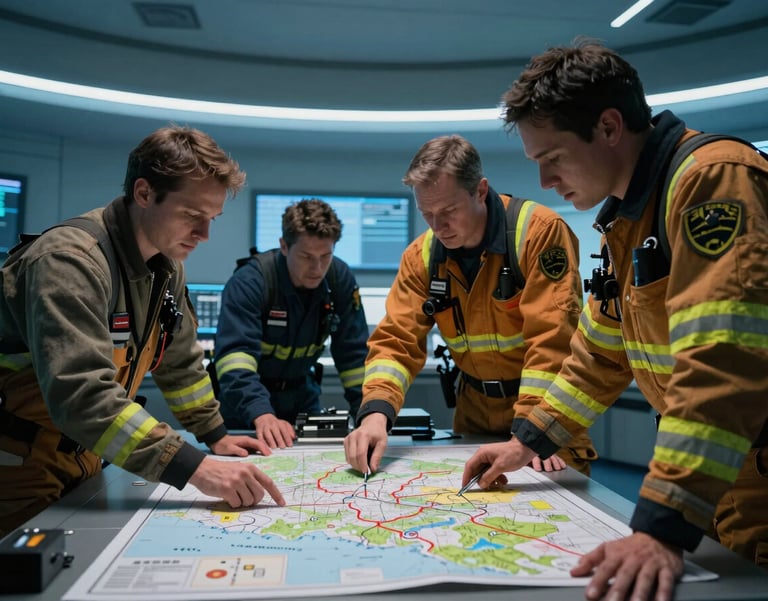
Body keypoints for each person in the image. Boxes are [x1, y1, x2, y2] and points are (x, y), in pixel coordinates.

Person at [463, 40, 768, 601]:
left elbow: (722, 359)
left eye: (552, 158)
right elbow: (600, 356)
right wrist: (526, 443)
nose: (546, 183)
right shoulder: (627, 220)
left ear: (608, 127)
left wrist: (659, 525)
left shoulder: (712, 180)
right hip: (715, 480)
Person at [0, 125, 286, 536]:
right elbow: (82, 397)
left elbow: (181, 362)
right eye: (191, 216)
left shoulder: (167, 266)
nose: (204, 235)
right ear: (144, 193)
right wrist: (195, 466)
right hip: (17, 468)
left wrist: (215, 434)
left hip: (85, 458)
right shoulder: (69, 261)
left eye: (212, 219)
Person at [345, 134, 596, 478]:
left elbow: (551, 343)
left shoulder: (538, 233)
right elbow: (396, 343)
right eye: (427, 213)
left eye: (448, 211)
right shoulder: (421, 257)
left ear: (480, 190)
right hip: (474, 415)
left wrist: (530, 436)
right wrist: (376, 414)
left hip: (544, 417)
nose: (438, 226)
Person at [214, 198, 369, 449]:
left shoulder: (339, 279)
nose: (317, 268)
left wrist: (368, 416)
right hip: (245, 409)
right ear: (284, 246)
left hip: (302, 401)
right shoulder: (251, 282)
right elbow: (235, 359)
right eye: (307, 256)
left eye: (326, 256)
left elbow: (354, 359)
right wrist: (261, 414)